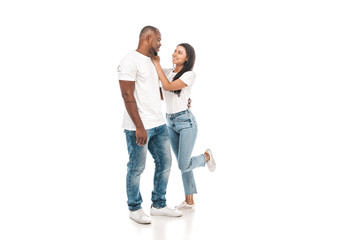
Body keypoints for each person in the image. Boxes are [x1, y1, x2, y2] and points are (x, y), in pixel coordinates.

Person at [117, 26, 182, 224]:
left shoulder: (154, 61)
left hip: (159, 124)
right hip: (139, 126)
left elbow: (157, 91)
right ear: (147, 38)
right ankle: (134, 208)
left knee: (165, 164)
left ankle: (158, 205)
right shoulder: (129, 61)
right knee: (137, 168)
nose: (161, 44)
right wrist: (139, 126)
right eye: (158, 40)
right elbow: (127, 96)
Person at [151, 43, 216, 211]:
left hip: (186, 122)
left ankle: (206, 157)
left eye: (180, 53)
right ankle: (189, 201)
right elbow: (163, 92)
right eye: (174, 51)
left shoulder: (189, 75)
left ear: (187, 58)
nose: (175, 54)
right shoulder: (167, 72)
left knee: (183, 164)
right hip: (170, 122)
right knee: (183, 162)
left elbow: (168, 86)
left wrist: (157, 64)